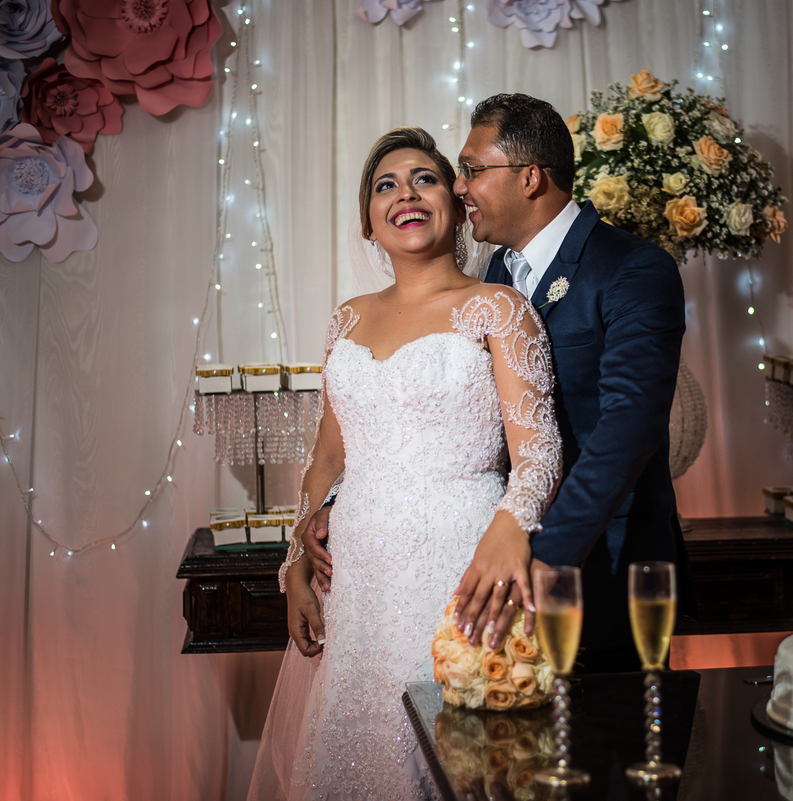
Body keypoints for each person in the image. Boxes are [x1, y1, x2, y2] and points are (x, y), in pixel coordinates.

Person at [303, 93, 693, 673]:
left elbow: (628, 431)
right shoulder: (498, 274)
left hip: (600, 570)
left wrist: (538, 549)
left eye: (472, 170)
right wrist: (336, 506)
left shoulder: (632, 269)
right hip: (453, 559)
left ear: (530, 177)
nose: (461, 188)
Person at [247, 127, 562, 799]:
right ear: (368, 221)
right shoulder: (347, 321)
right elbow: (329, 454)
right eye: (385, 185)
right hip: (357, 577)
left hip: (462, 567)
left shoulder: (499, 309)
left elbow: (540, 455)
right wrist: (294, 561)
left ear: (454, 198)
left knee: (459, 759)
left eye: (423, 177)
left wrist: (510, 532)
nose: (405, 195)